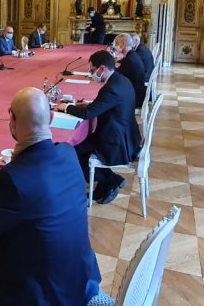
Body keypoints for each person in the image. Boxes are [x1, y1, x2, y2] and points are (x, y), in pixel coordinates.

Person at [0, 87, 101, 305]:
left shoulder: (12, 181)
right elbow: (39, 188)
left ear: (12, 119)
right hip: (78, 281)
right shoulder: (67, 152)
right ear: (51, 117)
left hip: (42, 297)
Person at [57, 51, 141, 204]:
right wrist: (90, 104)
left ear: (102, 68)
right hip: (126, 133)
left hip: (116, 141)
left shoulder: (111, 88)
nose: (91, 74)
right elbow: (106, 104)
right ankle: (105, 183)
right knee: (82, 145)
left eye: (92, 70)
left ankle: (111, 180)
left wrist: (66, 107)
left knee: (74, 150)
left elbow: (87, 114)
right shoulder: (121, 80)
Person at [113, 34, 147, 108]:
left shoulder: (130, 59)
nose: (115, 46)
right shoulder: (132, 54)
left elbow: (116, 76)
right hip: (136, 92)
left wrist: (108, 65)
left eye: (116, 43)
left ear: (123, 44)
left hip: (134, 98)